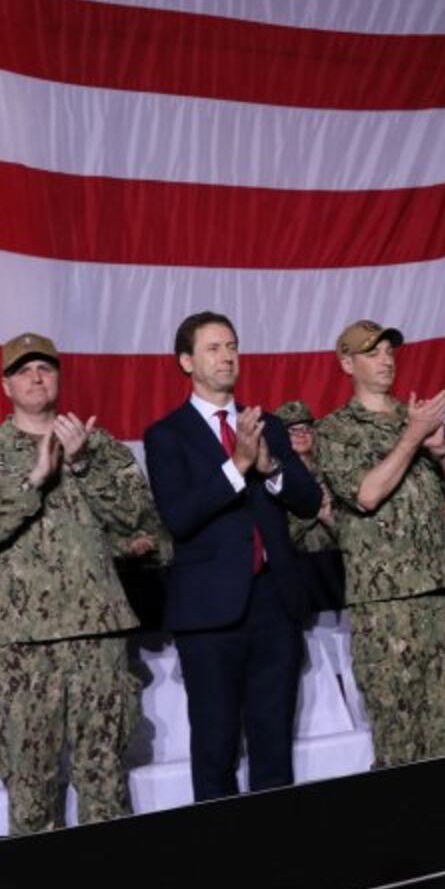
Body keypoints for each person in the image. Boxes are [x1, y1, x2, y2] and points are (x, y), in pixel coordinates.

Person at [0, 333, 164, 831]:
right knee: (29, 784)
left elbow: (135, 521)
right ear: (5, 385)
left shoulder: (99, 445)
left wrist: (81, 464)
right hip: (19, 641)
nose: (36, 377)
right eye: (24, 371)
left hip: (94, 632)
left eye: (45, 367)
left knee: (104, 779)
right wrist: (32, 481)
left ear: (58, 377)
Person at [143, 314, 323, 801]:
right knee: (216, 748)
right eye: (213, 348)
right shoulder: (166, 435)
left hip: (274, 604)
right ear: (186, 361)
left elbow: (307, 502)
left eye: (232, 346)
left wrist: (271, 467)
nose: (227, 356)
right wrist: (238, 465)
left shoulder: (270, 427)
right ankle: (220, 863)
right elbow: (180, 517)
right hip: (209, 615)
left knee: (273, 749)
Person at [315, 320, 445, 768]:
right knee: (399, 734)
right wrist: (411, 437)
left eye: (389, 350)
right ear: (347, 363)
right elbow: (366, 495)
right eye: (372, 353)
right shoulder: (335, 430)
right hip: (383, 602)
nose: (386, 359)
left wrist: (441, 448)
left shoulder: (418, 420)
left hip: (435, 592)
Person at [273, 400, 337, 555]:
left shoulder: (332, 471)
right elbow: (274, 537)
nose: (301, 434)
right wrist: (313, 511)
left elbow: (352, 534)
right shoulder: (273, 478)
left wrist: (329, 520)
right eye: (292, 430)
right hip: (294, 563)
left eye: (306, 429)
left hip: (334, 560)